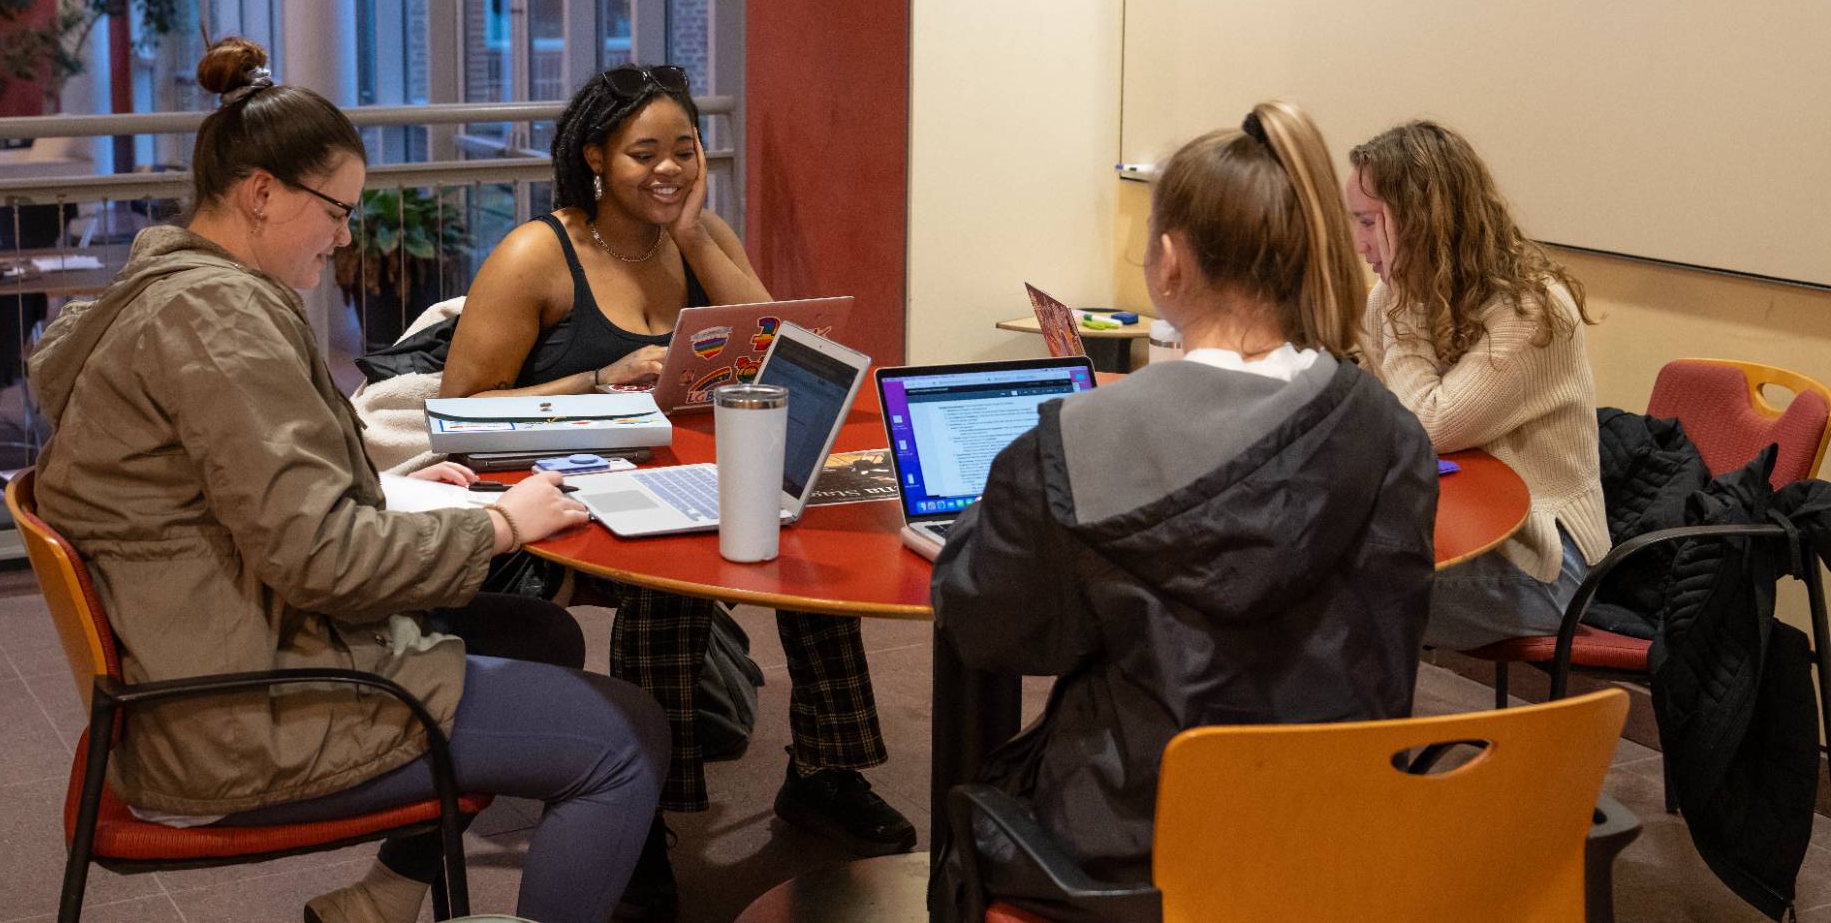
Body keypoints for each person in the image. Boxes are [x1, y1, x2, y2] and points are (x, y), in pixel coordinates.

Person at [27, 39, 668, 923]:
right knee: (628, 739)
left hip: (206, 650)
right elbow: (323, 559)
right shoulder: (220, 321)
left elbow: (243, 482)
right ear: (261, 193)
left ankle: (386, 894)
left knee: (538, 633)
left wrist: (394, 475)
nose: (345, 234)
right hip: (248, 709)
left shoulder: (169, 291)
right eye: (335, 209)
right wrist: (500, 526)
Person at [931, 102, 1438, 922]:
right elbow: (1388, 644)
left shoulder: (1073, 447)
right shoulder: (1391, 435)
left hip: (1134, 849)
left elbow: (990, 628)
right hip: (1336, 836)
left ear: (1169, 262)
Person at [442, 64, 916, 913]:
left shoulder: (700, 236)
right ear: (595, 155)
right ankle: (646, 814)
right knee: (673, 566)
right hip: (563, 493)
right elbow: (462, 403)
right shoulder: (537, 254)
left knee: (808, 535)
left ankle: (823, 771)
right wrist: (601, 375)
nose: (669, 170)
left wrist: (697, 238)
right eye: (643, 153)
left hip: (690, 472)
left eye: (685, 151)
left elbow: (793, 348)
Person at [1346, 119, 1611, 649]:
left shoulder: (1532, 311)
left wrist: (1403, 315)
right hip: (1455, 524)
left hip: (1547, 565)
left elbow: (1427, 426)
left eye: (1371, 222)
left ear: (1424, 220)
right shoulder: (1401, 296)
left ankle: (1348, 733)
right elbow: (1378, 421)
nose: (1360, 245)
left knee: (1335, 592)